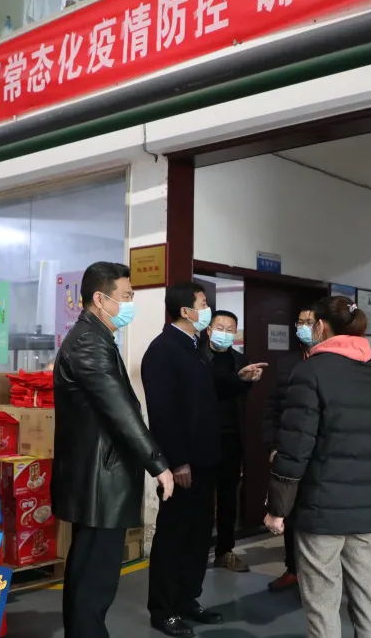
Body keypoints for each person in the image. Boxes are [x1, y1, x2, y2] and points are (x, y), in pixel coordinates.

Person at [264, 296, 371, 638]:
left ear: (321, 326)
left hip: (320, 510)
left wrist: (278, 508)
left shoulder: (310, 372)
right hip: (367, 511)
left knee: (323, 603)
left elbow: (295, 446)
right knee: (366, 598)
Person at [52, 261, 175, 638]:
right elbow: (119, 410)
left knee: (91, 570)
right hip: (99, 477)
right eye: (126, 296)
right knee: (95, 576)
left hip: (99, 473)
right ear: (100, 299)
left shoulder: (96, 337)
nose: (131, 303)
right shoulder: (89, 342)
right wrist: (157, 463)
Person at [142, 282, 224, 637]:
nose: (207, 309)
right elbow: (164, 413)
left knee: (198, 535)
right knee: (174, 536)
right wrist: (177, 462)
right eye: (202, 304)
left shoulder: (194, 347)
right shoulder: (163, 350)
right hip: (182, 463)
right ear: (185, 311)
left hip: (205, 459)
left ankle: (188, 598)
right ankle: (163, 609)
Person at [201, 310, 267, 573]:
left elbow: (241, 396)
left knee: (228, 498)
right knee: (201, 499)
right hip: (202, 438)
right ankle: (196, 552)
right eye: (220, 327)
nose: (225, 333)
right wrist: (237, 380)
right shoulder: (197, 357)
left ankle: (225, 551)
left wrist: (248, 382)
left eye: (230, 329)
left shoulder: (240, 360)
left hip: (231, 438)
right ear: (208, 330)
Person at [263, 306, 317, 592]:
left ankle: (315, 575)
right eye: (300, 322)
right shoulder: (286, 363)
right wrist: (273, 445)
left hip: (319, 453)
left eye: (310, 322)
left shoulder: (331, 361)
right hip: (288, 449)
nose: (304, 327)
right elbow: (271, 407)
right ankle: (293, 569)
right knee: (289, 510)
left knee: (315, 514)